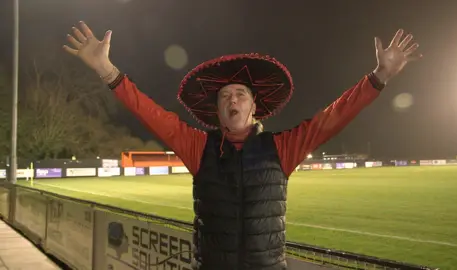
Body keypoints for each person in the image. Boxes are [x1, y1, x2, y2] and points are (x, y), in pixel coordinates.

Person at [63, 21, 422, 270]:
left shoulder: (282, 148)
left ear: (254, 106)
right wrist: (107, 70)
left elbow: (335, 115)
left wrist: (380, 77)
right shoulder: (197, 146)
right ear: (217, 110)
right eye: (224, 97)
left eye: (240, 94)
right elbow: (151, 113)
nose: (232, 100)